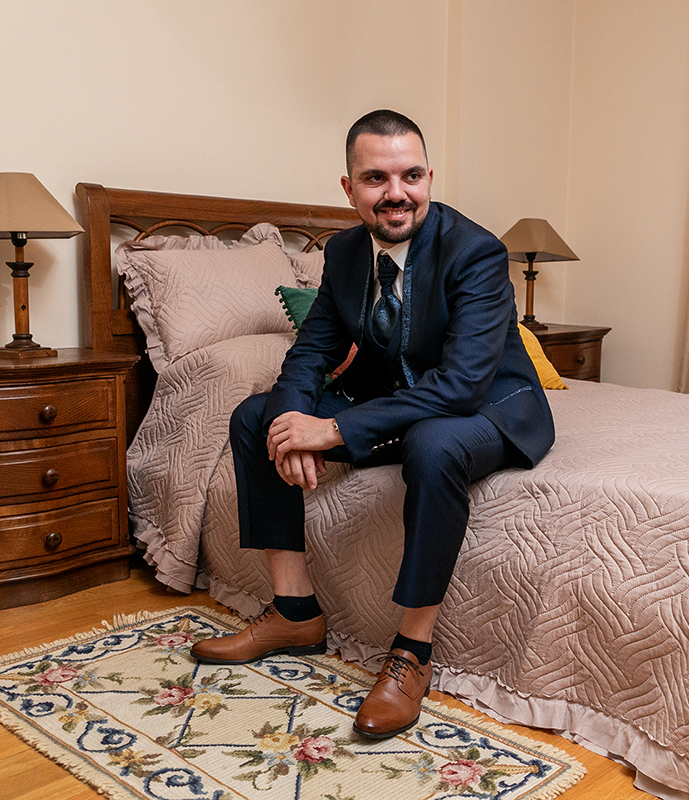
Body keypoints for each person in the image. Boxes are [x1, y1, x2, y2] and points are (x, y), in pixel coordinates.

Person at [190, 109, 555, 739]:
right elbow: (312, 349)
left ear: (430, 176)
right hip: (393, 400)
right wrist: (290, 423)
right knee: (256, 415)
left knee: (435, 443)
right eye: (376, 178)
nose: (396, 193)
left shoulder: (478, 253)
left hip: (487, 406)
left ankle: (412, 652)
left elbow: (463, 385)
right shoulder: (345, 252)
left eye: (411, 175)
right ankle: (295, 611)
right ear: (349, 187)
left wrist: (331, 433)